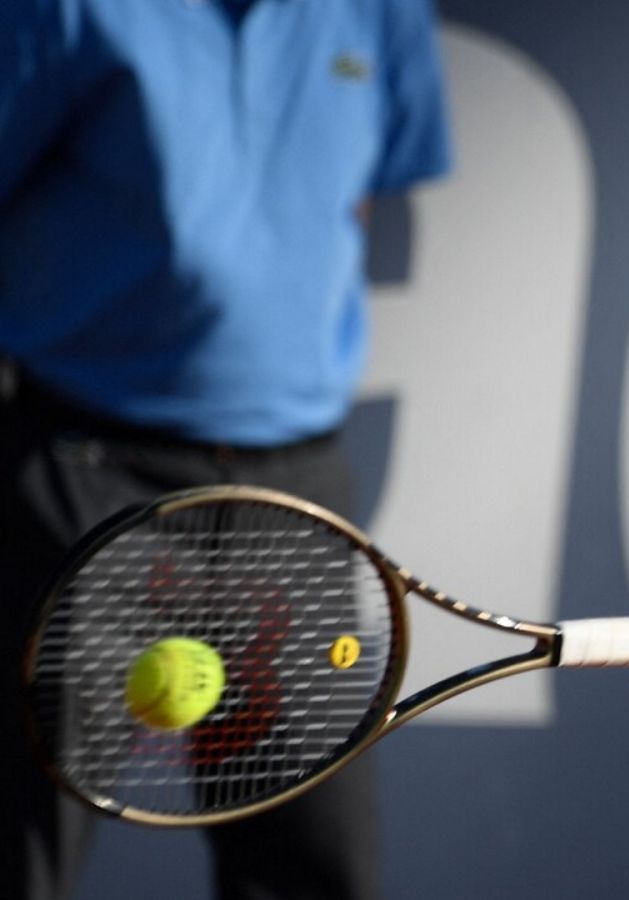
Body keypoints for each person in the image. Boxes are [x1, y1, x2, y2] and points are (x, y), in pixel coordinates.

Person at [0, 1, 451, 898]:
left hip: (299, 494)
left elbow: (350, 197)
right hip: (84, 473)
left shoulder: (382, 13)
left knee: (312, 870)